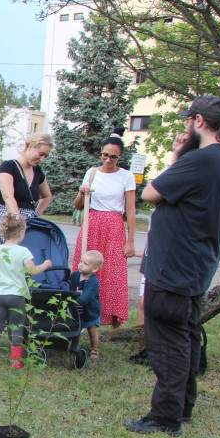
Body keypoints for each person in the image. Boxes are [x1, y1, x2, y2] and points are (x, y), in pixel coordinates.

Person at [126, 95, 220, 437]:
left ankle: (165, 417)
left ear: (199, 121)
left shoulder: (201, 160)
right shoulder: (218, 160)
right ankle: (183, 406)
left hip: (174, 266)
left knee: (168, 341)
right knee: (186, 335)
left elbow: (152, 192)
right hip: (196, 265)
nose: (185, 127)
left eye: (187, 121)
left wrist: (179, 155)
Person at [72, 135, 137, 327]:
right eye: (105, 155)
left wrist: (131, 240)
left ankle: (112, 317)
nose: (108, 160)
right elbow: (78, 205)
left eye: (113, 157)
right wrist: (82, 192)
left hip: (114, 225)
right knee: (85, 266)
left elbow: (131, 209)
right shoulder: (92, 173)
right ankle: (80, 313)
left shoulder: (126, 176)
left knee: (112, 270)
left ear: (120, 157)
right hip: (92, 222)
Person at [0, 214, 53, 369]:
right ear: (22, 232)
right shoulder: (23, 251)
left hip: (0, 295)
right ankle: (16, 363)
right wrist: (45, 264)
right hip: (17, 296)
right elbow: (34, 271)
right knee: (17, 327)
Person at [0, 132, 54, 251]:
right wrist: (18, 222)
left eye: (46, 156)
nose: (42, 159)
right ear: (30, 147)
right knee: (3, 261)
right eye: (41, 154)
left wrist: (35, 216)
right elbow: (8, 197)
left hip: (26, 223)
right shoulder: (8, 167)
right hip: (7, 219)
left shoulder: (37, 172)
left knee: (25, 263)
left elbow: (47, 196)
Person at [69, 250, 104, 361]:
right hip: (76, 311)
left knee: (92, 330)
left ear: (94, 269)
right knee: (77, 329)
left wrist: (71, 302)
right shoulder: (74, 276)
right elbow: (68, 286)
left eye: (86, 264)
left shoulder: (93, 282)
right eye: (81, 261)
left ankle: (94, 348)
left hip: (90, 311)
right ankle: (76, 346)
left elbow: (86, 298)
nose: (81, 265)